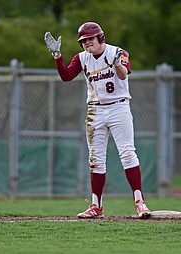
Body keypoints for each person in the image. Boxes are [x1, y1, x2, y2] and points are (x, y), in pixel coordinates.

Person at [44, 22, 151, 219]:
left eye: (90, 39)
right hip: (95, 110)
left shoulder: (117, 52)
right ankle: (96, 205)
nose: (86, 43)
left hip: (119, 106)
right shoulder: (82, 58)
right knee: (96, 160)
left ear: (100, 37)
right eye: (83, 41)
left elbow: (123, 74)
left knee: (127, 153)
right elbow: (67, 76)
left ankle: (140, 202)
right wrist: (57, 56)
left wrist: (118, 62)